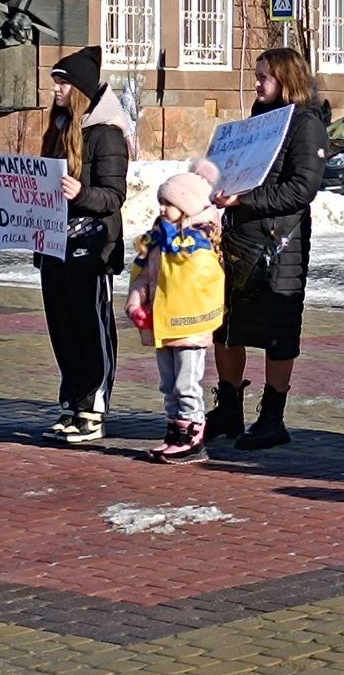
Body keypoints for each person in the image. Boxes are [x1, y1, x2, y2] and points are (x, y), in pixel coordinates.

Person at [212, 47, 330, 450]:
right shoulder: (260, 119)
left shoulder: (305, 124)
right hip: (240, 238)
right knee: (226, 328)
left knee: (278, 330)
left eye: (265, 76)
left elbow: (302, 188)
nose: (257, 82)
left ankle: (272, 418)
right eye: (258, 75)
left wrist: (245, 200)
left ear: (286, 79)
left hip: (281, 243)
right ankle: (228, 408)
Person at [38, 46, 132, 445]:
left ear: (78, 89)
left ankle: (93, 406)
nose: (56, 88)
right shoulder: (59, 129)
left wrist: (80, 193)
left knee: (91, 325)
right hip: (55, 244)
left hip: (93, 247)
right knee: (63, 325)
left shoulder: (106, 135)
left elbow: (113, 196)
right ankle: (72, 401)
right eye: (55, 80)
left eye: (62, 82)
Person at [127, 160, 227, 464]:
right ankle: (174, 431)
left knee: (186, 384)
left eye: (168, 204)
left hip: (189, 329)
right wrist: (137, 299)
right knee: (168, 383)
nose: (161, 209)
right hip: (163, 323)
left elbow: (199, 282)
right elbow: (146, 274)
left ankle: (192, 436)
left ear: (187, 206)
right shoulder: (159, 239)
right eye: (160, 202)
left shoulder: (198, 244)